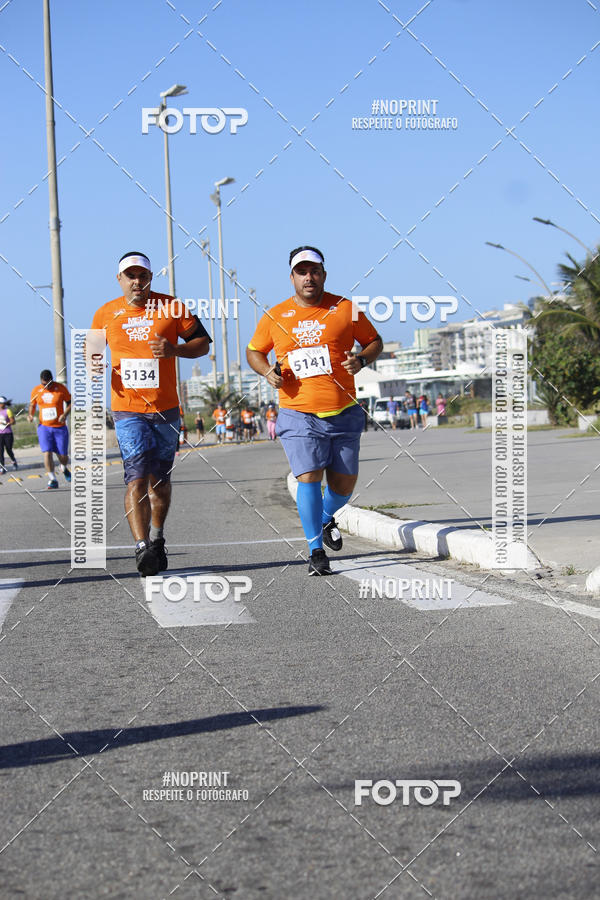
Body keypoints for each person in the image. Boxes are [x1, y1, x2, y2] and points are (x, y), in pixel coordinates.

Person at [247, 245, 383, 575]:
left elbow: (374, 341)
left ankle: (325, 518)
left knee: (343, 486)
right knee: (308, 476)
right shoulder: (274, 315)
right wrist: (267, 371)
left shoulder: (345, 308)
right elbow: (254, 352)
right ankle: (315, 551)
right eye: (302, 271)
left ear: (324, 274)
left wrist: (362, 359)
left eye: (315, 271)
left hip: (344, 409)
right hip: (298, 411)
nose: (309, 277)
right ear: (292, 277)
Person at [91, 251, 211, 575]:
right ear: (120, 280)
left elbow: (203, 343)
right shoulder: (104, 314)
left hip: (165, 410)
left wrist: (176, 350)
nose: (136, 282)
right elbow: (91, 355)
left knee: (160, 480)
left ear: (150, 279)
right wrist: (95, 365)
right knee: (136, 477)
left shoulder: (172, 306)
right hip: (127, 409)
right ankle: (141, 546)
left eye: (142, 276)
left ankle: (157, 537)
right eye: (130, 276)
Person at [28, 370, 71, 489]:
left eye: (48, 384)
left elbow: (70, 403)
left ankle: (63, 467)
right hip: (44, 427)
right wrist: (30, 415)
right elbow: (32, 405)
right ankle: (52, 478)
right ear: (41, 381)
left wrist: (65, 414)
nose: (46, 386)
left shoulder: (60, 388)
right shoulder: (36, 390)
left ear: (52, 380)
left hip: (59, 427)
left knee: (63, 455)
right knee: (47, 452)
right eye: (44, 384)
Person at [0, 396, 18, 472]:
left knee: (8, 449)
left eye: (3, 403)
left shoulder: (8, 411)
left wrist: (5, 423)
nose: (2, 405)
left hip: (8, 433)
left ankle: (14, 461)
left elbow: (13, 422)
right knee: (0, 451)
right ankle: (2, 467)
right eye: (1, 403)